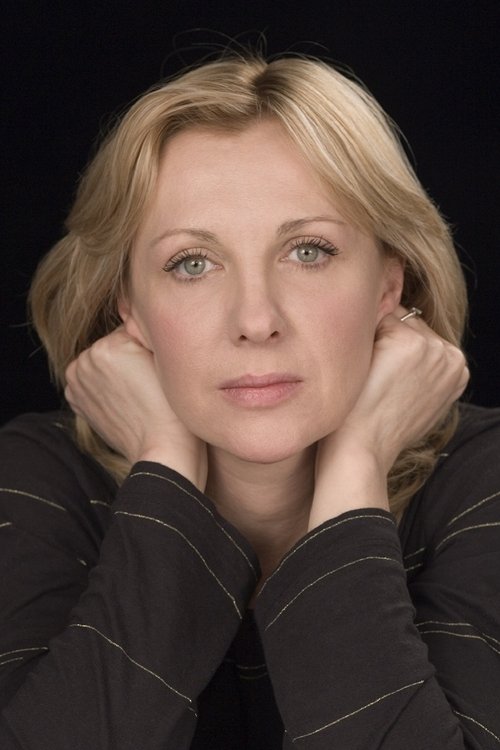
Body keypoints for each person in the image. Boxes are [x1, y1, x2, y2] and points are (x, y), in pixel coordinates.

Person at [0, 53, 498, 750]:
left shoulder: (484, 480)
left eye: (308, 251)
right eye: (192, 263)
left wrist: (355, 465)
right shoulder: (35, 480)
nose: (256, 320)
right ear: (128, 307)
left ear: (390, 285)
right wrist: (166, 465)